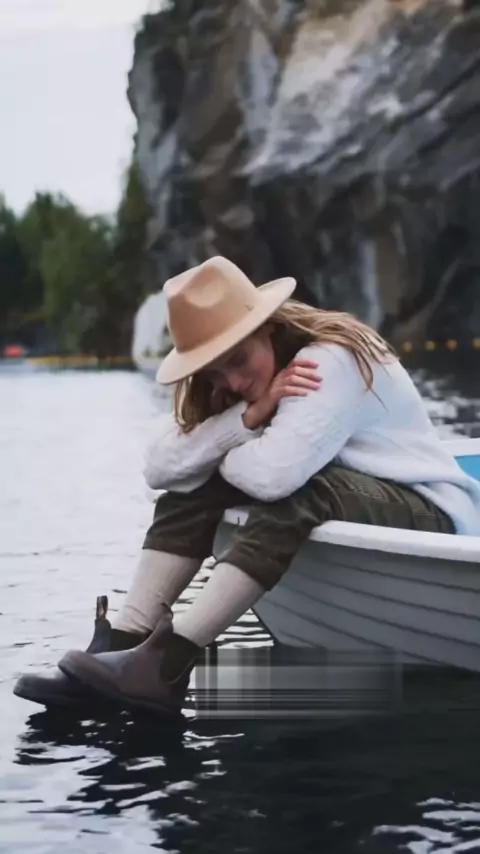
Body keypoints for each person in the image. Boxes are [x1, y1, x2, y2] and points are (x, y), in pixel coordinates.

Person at [13, 256, 480, 714]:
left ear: (268, 328)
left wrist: (219, 451)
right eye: (214, 372)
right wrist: (247, 417)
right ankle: (120, 647)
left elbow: (273, 477)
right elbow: (160, 468)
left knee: (284, 486)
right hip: (355, 504)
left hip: (427, 510)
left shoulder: (328, 361)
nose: (233, 382)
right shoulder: (234, 386)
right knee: (190, 485)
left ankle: (168, 663)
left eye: (238, 360)